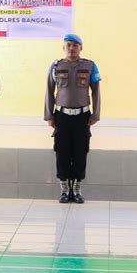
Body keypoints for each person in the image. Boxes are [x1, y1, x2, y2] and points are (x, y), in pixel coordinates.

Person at [44, 33, 101, 204]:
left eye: (75, 45)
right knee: (62, 152)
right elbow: (49, 91)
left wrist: (95, 114)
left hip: (82, 117)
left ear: (81, 48)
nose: (72, 48)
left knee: (80, 152)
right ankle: (64, 188)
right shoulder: (56, 66)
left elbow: (96, 91)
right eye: (68, 45)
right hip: (61, 116)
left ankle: (76, 188)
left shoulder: (90, 66)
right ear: (64, 47)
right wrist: (49, 115)